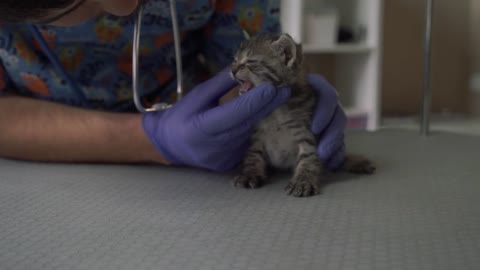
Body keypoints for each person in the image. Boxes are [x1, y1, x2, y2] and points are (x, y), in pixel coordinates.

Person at [0, 0, 347, 172]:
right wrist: (146, 138)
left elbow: (239, 68)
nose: (125, 7)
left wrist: (288, 91)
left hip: (196, 173)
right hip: (33, 169)